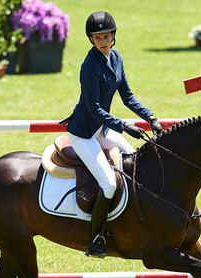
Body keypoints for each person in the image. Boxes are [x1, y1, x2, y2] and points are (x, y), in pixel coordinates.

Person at [65, 11, 162, 258]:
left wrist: (150, 117)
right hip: (85, 134)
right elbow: (94, 109)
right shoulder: (89, 67)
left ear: (113, 36)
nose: (103, 41)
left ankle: (130, 221)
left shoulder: (116, 58)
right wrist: (124, 126)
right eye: (98, 37)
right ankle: (95, 239)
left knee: (136, 164)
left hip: (101, 128)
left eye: (107, 36)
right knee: (108, 184)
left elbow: (127, 96)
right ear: (91, 40)